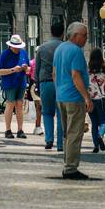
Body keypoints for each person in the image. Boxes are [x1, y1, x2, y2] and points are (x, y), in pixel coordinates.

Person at [53, 21, 94, 180]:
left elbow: (54, 74)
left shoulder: (60, 49)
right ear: (76, 36)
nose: (86, 39)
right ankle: (70, 168)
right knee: (74, 133)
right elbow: (76, 75)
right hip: (74, 98)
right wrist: (86, 97)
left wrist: (59, 91)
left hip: (61, 96)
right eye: (84, 36)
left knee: (67, 134)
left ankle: (67, 163)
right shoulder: (76, 51)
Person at [34, 21, 67, 151]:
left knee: (47, 112)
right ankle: (60, 144)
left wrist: (37, 84)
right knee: (60, 114)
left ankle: (49, 139)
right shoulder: (65, 47)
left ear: (51, 32)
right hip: (61, 83)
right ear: (63, 33)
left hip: (45, 82)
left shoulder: (42, 48)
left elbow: (37, 69)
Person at [0, 34, 31, 139]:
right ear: (11, 46)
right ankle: (8, 130)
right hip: (9, 83)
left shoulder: (23, 53)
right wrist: (12, 70)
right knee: (10, 104)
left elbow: (29, 69)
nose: (18, 49)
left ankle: (20, 130)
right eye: (16, 47)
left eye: (19, 47)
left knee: (20, 105)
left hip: (21, 82)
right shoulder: (5, 55)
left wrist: (26, 68)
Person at [87, 48, 105, 152]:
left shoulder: (88, 70)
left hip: (90, 100)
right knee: (103, 121)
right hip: (101, 99)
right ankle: (100, 135)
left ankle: (96, 145)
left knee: (94, 123)